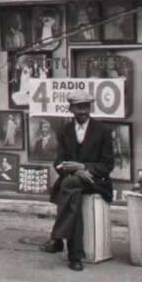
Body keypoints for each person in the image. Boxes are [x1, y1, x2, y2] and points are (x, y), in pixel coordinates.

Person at [40, 89, 114, 271]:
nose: (82, 111)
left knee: (68, 186)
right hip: (72, 181)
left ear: (90, 108)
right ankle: (75, 256)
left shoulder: (103, 131)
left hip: (96, 181)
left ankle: (57, 238)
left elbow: (107, 165)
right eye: (78, 107)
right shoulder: (64, 130)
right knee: (73, 194)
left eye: (86, 107)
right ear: (71, 108)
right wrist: (69, 170)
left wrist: (83, 168)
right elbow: (59, 161)